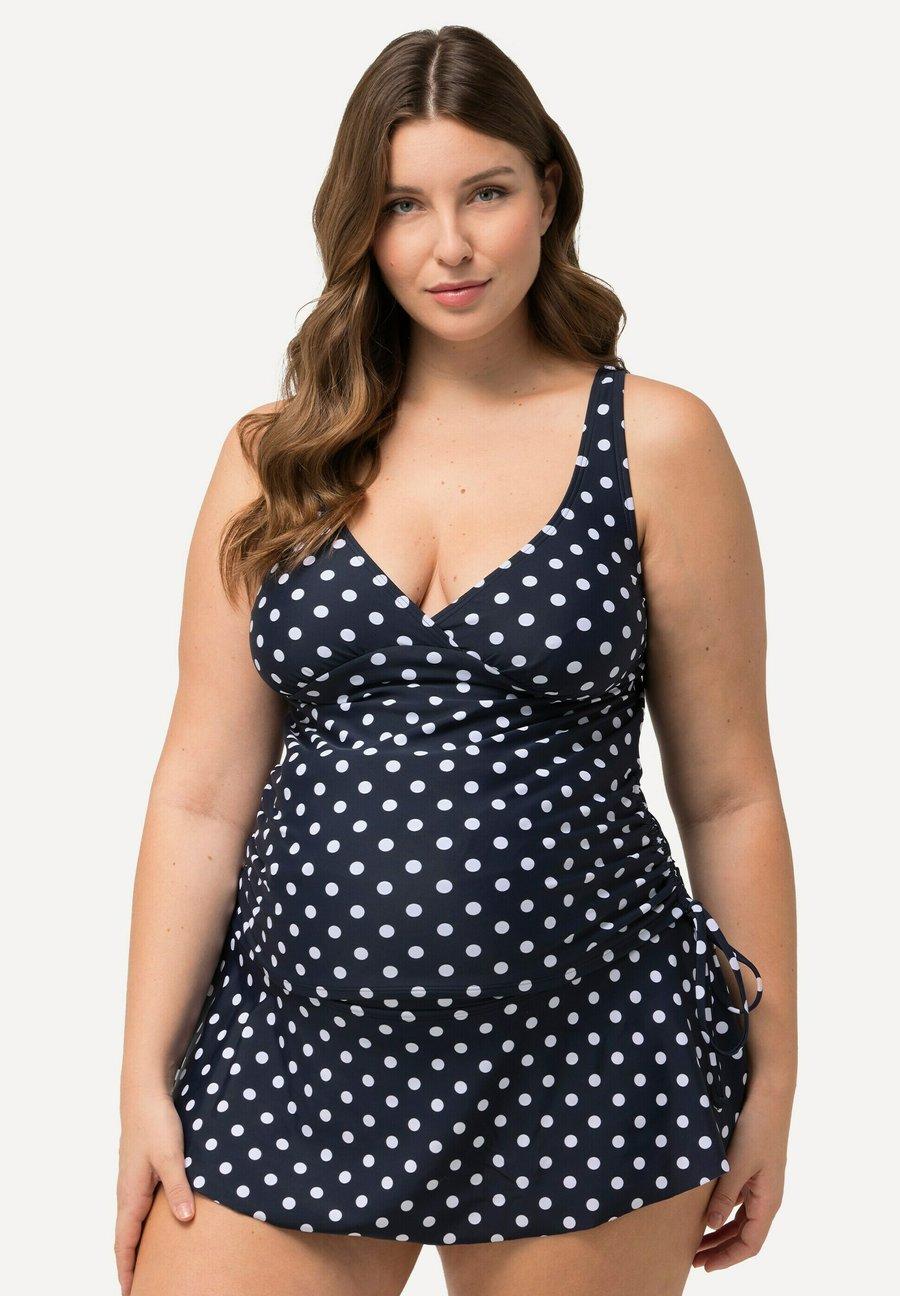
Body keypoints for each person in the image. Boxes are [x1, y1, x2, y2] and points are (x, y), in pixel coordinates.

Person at [117, 24, 797, 1296]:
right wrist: (143, 1080)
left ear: (549, 193)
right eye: (403, 205)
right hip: (293, 1059)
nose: (451, 246)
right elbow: (200, 792)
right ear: (360, 227)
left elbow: (729, 794)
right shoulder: (274, 457)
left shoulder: (657, 441)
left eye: (486, 192)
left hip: (594, 1059)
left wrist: (773, 1082)